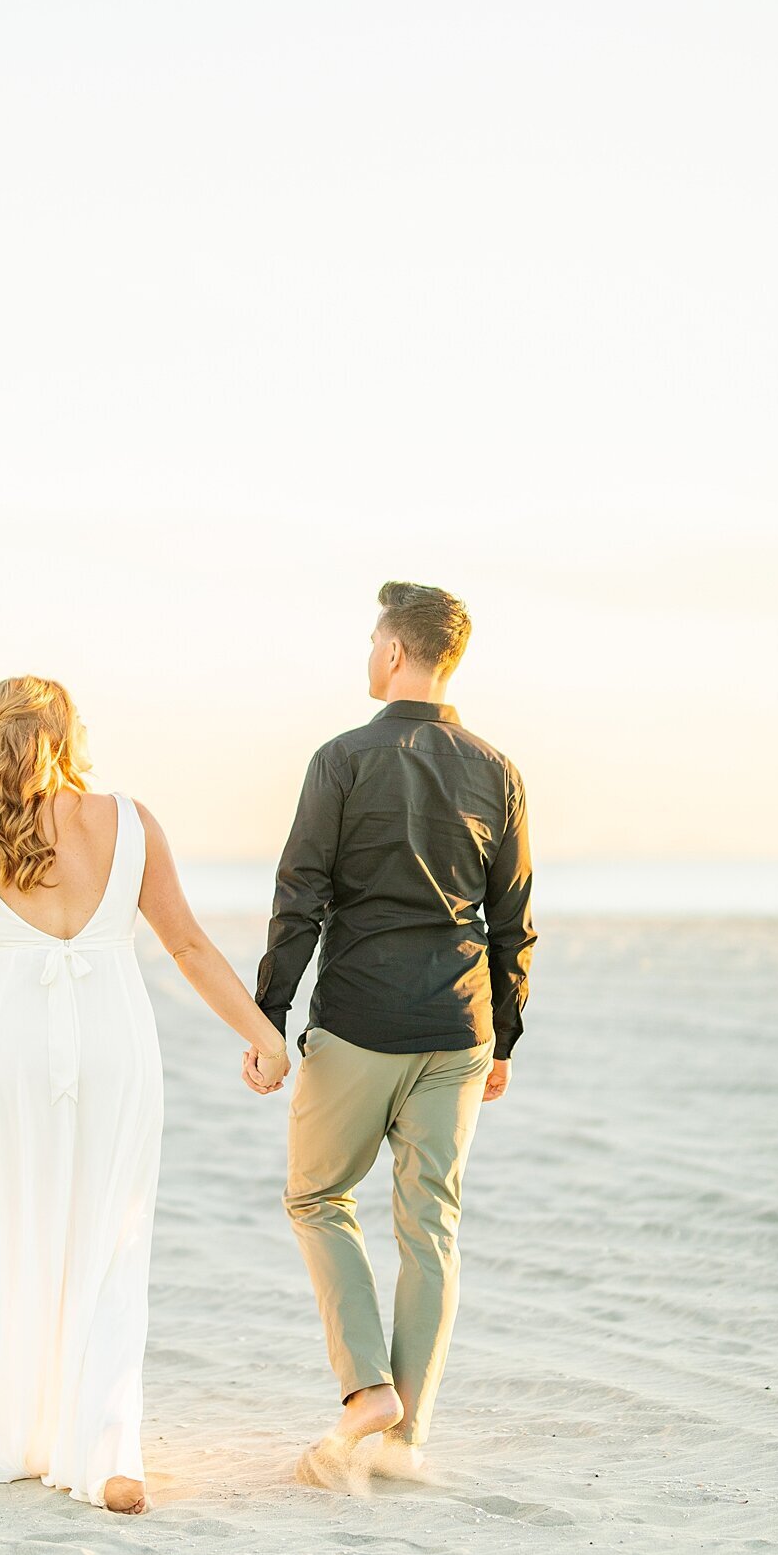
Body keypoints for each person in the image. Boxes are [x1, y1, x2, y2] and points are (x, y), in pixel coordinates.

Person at [0, 675, 290, 1514]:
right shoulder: (128, 821)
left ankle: (25, 1436)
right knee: (112, 1236)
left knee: (24, 1235)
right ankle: (106, 1453)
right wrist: (262, 1034)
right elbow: (190, 946)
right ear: (68, 734)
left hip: (13, 1058)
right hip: (117, 1048)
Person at [247, 581, 536, 1482]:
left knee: (317, 1198)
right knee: (432, 1228)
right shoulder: (496, 767)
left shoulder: (341, 760)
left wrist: (268, 1015)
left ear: (396, 653)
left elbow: (301, 897)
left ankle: (368, 1390)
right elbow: (511, 918)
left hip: (363, 1021)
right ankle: (408, 1442)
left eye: (375, 638)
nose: (369, 652)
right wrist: (508, 1040)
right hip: (462, 1028)